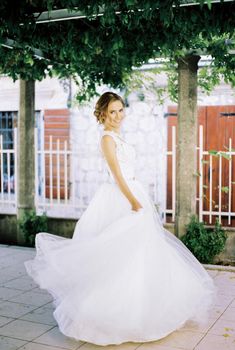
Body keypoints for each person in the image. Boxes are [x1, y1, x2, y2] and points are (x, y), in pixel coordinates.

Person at [24, 91, 218, 346]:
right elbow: (117, 175)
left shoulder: (117, 136)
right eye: (112, 111)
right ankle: (108, 316)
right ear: (103, 113)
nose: (117, 116)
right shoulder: (106, 138)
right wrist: (134, 202)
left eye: (120, 110)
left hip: (132, 194)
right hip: (121, 198)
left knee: (140, 255)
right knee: (116, 256)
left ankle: (143, 311)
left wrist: (139, 197)